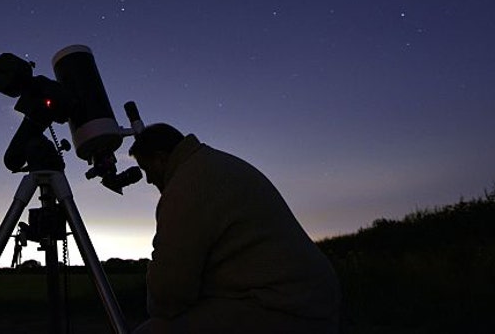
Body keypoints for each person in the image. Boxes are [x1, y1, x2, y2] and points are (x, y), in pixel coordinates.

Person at [129, 123, 340, 333]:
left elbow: (169, 296)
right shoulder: (211, 164)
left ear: (161, 158)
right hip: (309, 300)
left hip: (285, 309)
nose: (148, 180)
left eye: (147, 169)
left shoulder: (184, 187)